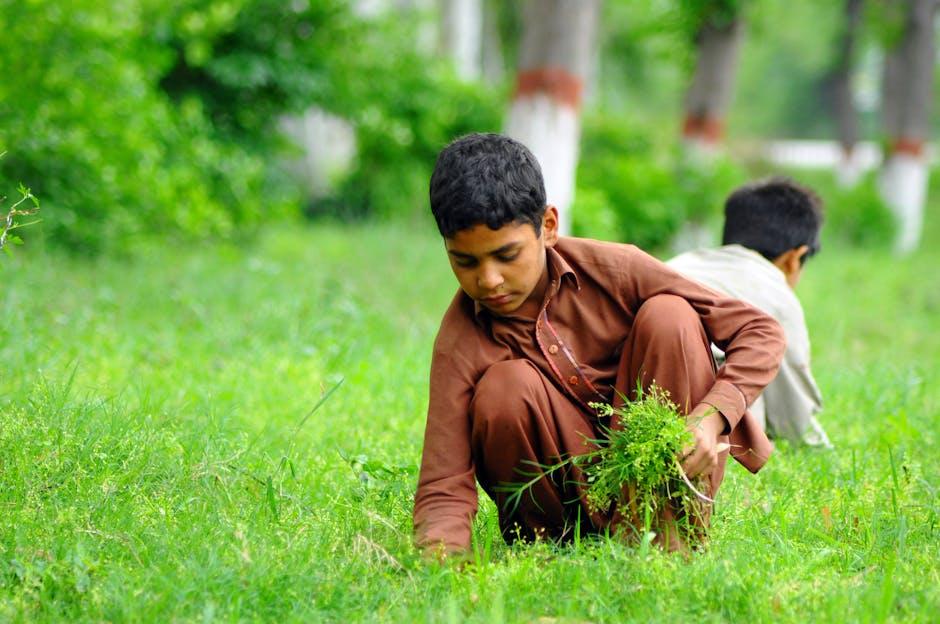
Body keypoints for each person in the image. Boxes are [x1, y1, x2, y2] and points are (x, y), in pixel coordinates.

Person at [413, 133, 785, 558]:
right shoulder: (460, 341)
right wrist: (440, 562)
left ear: (548, 227)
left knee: (671, 315)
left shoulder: (617, 269)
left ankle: (667, 542)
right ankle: (556, 552)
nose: (489, 280)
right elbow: (443, 483)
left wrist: (710, 418)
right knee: (505, 386)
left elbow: (760, 331)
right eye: (466, 262)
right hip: (559, 520)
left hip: (659, 489)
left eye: (507, 255)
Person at [667, 177, 832, 448]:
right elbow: (794, 416)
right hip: (704, 417)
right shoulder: (776, 294)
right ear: (794, 258)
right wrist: (817, 447)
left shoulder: (679, 263)